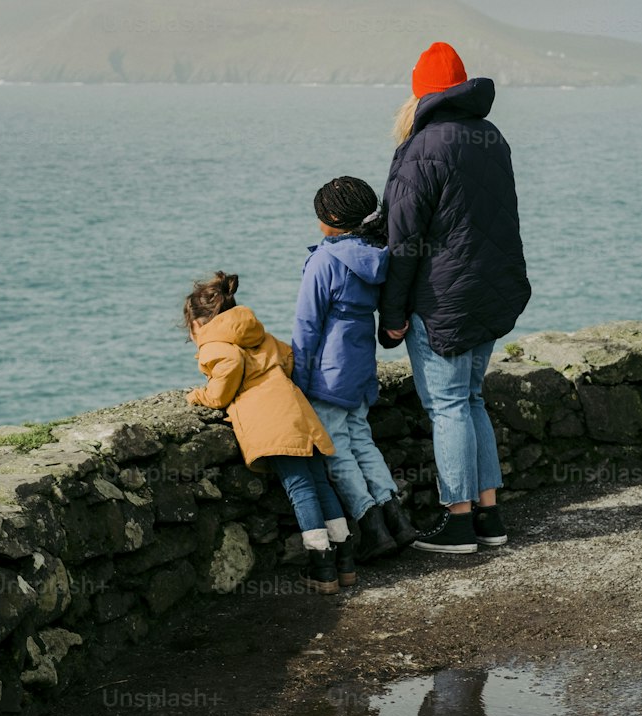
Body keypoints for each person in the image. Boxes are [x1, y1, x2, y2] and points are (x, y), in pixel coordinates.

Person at [379, 42, 531, 556]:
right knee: (470, 400)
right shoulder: (493, 137)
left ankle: (459, 521)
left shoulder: (421, 147)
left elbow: (403, 241)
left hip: (441, 299)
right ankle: (490, 516)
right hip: (490, 293)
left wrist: (393, 314)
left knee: (446, 406)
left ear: (421, 92)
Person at [184, 270, 353, 593]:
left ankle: (323, 568)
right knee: (320, 482)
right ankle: (344, 561)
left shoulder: (215, 345)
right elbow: (289, 356)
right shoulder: (256, 334)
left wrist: (198, 395)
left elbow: (224, 382)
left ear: (197, 324)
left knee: (300, 488)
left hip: (273, 424)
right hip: (298, 414)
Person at [291, 176, 418, 563]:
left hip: (328, 374)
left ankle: (372, 527)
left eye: (319, 218)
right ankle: (398, 520)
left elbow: (307, 327)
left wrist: (298, 381)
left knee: (339, 453)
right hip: (361, 368)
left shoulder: (325, 261)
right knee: (362, 442)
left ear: (331, 218)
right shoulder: (376, 257)